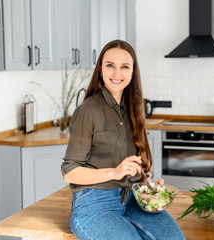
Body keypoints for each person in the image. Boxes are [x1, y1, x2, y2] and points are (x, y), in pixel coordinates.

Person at [61, 40, 185, 240]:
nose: (117, 73)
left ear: (133, 72)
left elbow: (135, 163)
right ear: (100, 69)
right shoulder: (88, 111)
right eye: (110, 65)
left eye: (124, 67)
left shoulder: (133, 109)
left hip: (133, 199)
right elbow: (70, 172)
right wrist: (114, 172)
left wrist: (148, 186)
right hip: (94, 205)